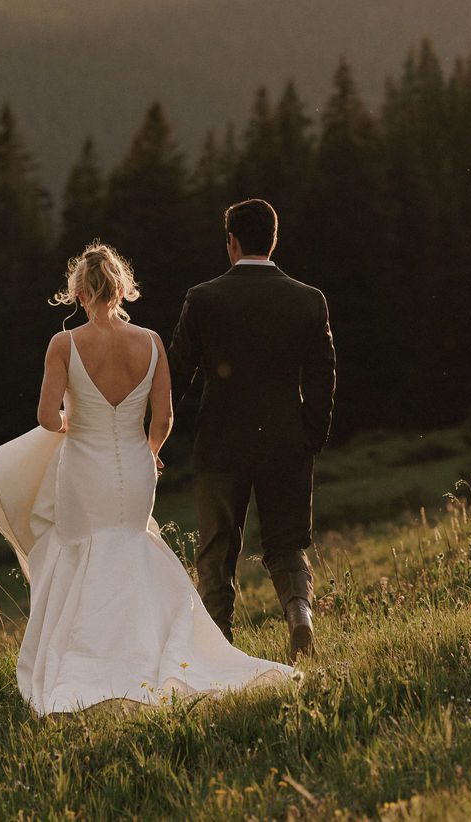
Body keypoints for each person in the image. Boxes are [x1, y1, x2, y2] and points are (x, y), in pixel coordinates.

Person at [0, 241, 294, 715]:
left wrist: (74, 427)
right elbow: (162, 418)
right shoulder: (150, 342)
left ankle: (92, 661)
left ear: (78, 292)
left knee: (85, 557)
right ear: (122, 289)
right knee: (130, 548)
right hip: (136, 467)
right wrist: (149, 452)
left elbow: (45, 417)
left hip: (83, 467)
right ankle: (150, 653)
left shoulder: (64, 345)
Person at [170, 197, 337, 662]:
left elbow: (176, 375)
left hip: (219, 445)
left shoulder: (202, 299)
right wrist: (312, 435)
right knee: (287, 543)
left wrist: (153, 435)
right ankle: (300, 616)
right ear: (274, 239)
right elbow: (323, 372)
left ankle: (221, 651)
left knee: (216, 553)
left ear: (232, 242)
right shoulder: (308, 299)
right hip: (286, 441)